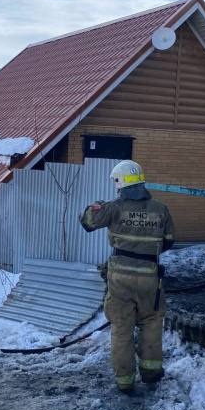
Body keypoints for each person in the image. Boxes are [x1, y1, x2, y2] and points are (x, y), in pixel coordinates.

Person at [80, 160, 174, 394]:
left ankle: (125, 381)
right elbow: (169, 241)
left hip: (120, 277)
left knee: (122, 328)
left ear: (121, 182)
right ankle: (151, 372)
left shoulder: (114, 207)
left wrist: (95, 207)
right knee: (151, 322)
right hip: (150, 276)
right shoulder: (161, 209)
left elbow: (88, 224)